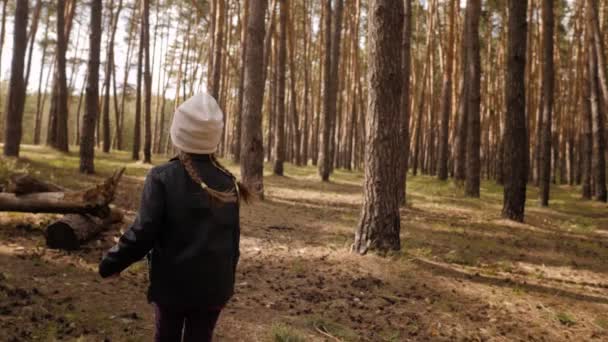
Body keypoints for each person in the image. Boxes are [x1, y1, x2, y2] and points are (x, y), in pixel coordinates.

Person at [99, 92, 250, 342]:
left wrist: (111, 264)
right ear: (214, 137)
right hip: (214, 288)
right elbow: (233, 244)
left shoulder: (161, 177)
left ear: (178, 133)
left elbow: (143, 232)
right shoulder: (227, 182)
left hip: (172, 288)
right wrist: (224, 284)